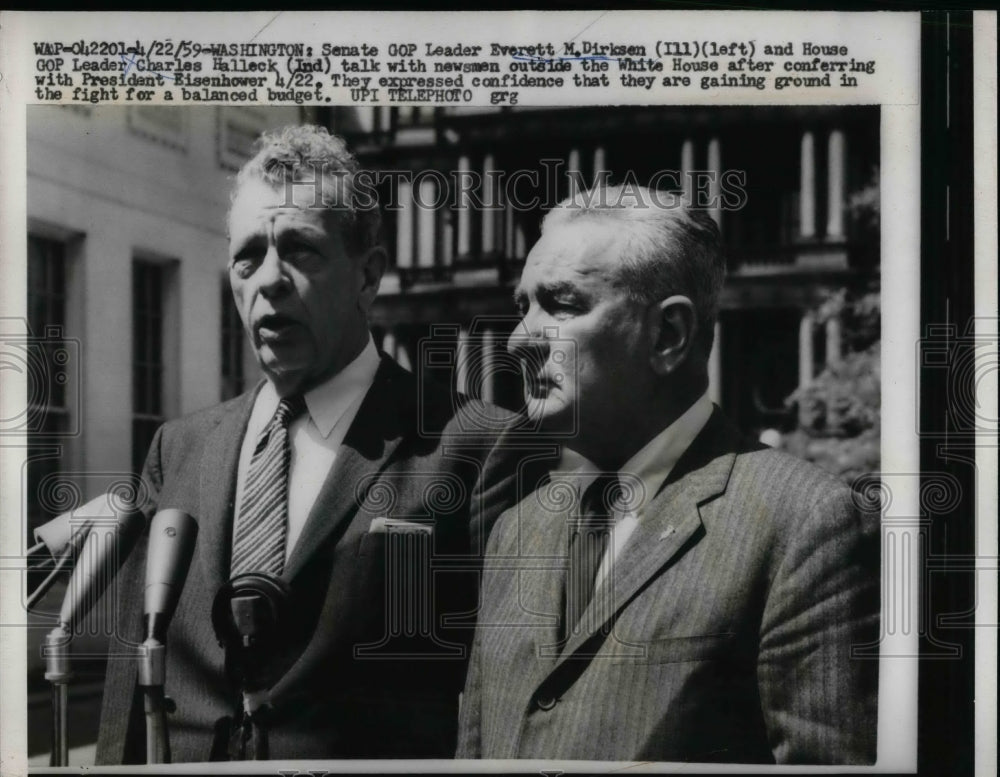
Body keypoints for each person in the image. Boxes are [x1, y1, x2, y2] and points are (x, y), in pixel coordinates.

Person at [94, 125, 535, 762]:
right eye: (247, 257)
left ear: (368, 275)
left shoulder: (477, 447)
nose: (268, 280)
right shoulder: (178, 447)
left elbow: (499, 702)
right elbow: (131, 674)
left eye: (300, 250)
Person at [456, 185, 880, 764]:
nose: (519, 338)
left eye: (561, 304)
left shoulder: (805, 524)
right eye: (522, 306)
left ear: (669, 335)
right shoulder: (514, 531)